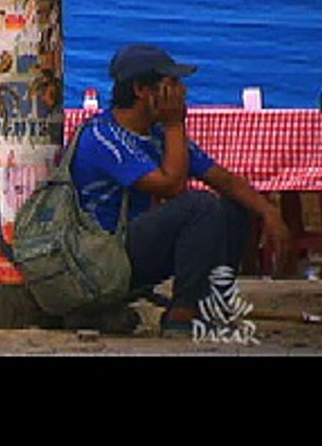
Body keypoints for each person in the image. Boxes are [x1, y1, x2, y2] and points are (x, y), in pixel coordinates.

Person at [69, 44, 292, 333]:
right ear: (141, 89)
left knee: (233, 207)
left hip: (136, 246)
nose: (182, 93)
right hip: (103, 256)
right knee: (199, 205)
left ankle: (211, 302)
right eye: (172, 84)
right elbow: (171, 187)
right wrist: (176, 124)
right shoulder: (103, 136)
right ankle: (184, 312)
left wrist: (269, 213)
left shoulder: (156, 135)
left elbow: (223, 179)